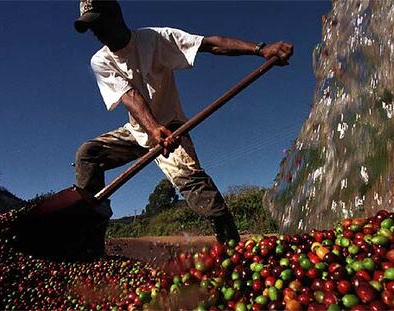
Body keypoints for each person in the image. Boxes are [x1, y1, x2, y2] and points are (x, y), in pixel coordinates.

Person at [73, 0, 293, 252]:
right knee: (88, 154)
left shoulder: (155, 39)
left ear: (116, 16)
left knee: (195, 185)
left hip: (172, 126)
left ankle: (233, 250)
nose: (97, 33)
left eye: (99, 24)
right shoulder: (100, 60)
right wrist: (152, 128)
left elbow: (209, 44)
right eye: (92, 29)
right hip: (137, 131)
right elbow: (129, 96)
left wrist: (260, 49)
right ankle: (89, 245)